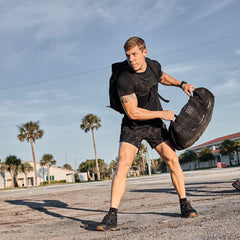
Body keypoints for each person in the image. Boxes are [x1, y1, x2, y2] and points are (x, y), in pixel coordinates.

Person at [97, 36, 197, 231]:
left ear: (145, 52)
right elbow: (132, 112)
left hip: (154, 125)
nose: (131, 59)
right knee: (123, 164)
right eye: (128, 56)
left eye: (135, 54)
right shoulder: (124, 79)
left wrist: (181, 84)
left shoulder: (152, 65)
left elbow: (162, 77)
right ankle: (112, 214)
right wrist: (162, 113)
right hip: (133, 125)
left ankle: (184, 203)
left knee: (172, 160)